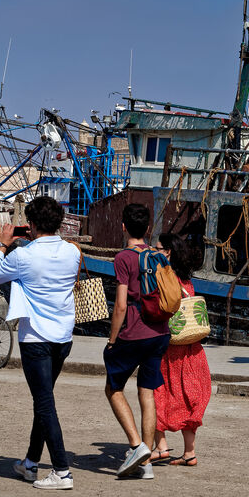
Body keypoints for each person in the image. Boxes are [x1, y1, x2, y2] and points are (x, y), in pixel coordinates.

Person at [0, 196, 80, 490]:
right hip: (63, 336)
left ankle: (61, 471)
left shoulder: (24, 255)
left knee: (44, 403)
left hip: (36, 337)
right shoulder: (72, 252)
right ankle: (30, 463)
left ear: (33, 224)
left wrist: (2, 245)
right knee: (44, 400)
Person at [104, 203, 171, 479]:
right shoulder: (159, 256)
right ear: (148, 229)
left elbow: (121, 305)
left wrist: (112, 339)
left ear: (123, 227)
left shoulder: (123, 258)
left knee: (113, 388)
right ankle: (146, 465)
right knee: (147, 393)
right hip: (160, 333)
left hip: (134, 332)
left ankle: (136, 446)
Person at [151, 233, 210, 467]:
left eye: (157, 248)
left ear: (168, 252)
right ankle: (189, 452)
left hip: (171, 349)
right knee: (189, 398)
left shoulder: (166, 278)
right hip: (192, 349)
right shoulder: (186, 279)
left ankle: (161, 447)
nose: (154, 251)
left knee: (158, 393)